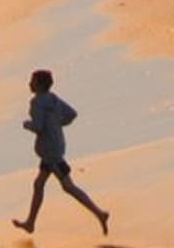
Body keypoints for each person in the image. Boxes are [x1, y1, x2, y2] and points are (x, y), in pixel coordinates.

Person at [11, 69, 109, 236]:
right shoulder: (53, 98)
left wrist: (27, 124)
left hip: (50, 152)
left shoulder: (36, 102)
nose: (30, 84)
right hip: (56, 146)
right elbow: (71, 114)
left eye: (33, 81)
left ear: (40, 85)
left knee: (68, 186)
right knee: (39, 184)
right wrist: (56, 124)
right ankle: (30, 223)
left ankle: (99, 213)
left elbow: (38, 126)